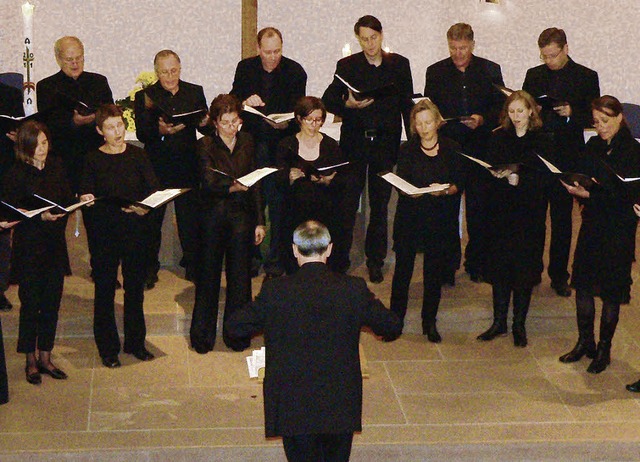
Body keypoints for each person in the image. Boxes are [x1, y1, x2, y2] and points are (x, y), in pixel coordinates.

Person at [227, 220, 402, 462]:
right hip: (339, 402)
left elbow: (235, 327)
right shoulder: (353, 288)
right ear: (329, 249)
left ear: (295, 250)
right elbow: (392, 325)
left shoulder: (276, 291)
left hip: (293, 402)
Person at [322, 15, 414, 282]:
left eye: (374, 38)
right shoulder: (347, 65)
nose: (370, 43)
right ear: (358, 39)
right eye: (364, 39)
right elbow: (329, 98)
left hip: (385, 143)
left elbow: (407, 105)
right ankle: (340, 260)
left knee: (380, 205)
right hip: (354, 143)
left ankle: (376, 260)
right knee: (348, 203)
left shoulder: (399, 65)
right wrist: (347, 106)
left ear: (381, 36)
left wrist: (412, 145)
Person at [559, 96, 640, 374]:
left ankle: (604, 350)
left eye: (605, 121)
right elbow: (583, 174)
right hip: (593, 223)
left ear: (619, 117)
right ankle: (585, 342)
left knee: (611, 291)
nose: (600, 127)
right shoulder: (592, 145)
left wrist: (593, 191)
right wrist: (578, 186)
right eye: (595, 122)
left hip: (618, 228)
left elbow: (628, 194)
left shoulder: (632, 150)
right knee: (582, 283)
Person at [424, 23, 505, 284]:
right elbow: (429, 110)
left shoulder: (490, 70)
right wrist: (440, 121)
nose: (457, 53)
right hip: (448, 149)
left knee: (479, 210)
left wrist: (482, 119)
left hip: (481, 147)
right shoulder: (435, 72)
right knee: (446, 210)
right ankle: (447, 268)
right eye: (453, 48)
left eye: (462, 48)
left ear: (472, 45)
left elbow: (501, 110)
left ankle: (476, 263)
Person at [79, 104, 159, 368]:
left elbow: (153, 190)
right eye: (111, 127)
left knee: (135, 289)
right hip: (104, 232)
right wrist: (86, 198)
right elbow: (86, 192)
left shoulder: (138, 155)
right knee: (104, 290)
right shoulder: (91, 158)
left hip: (134, 230)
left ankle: (136, 343)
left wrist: (142, 207)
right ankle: (108, 348)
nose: (117, 132)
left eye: (120, 125)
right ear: (100, 131)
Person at [523, 27, 600, 297]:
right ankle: (532, 271)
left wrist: (572, 112)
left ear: (566, 49)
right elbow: (523, 111)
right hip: (538, 155)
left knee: (562, 219)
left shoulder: (586, 76)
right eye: (544, 56)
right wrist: (533, 110)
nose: (549, 61)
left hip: (568, 156)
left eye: (553, 55)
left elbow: (594, 117)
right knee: (533, 218)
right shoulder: (534, 75)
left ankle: (559, 275)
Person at [189, 94, 266, 354]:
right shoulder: (205, 145)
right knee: (208, 277)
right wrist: (234, 186)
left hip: (242, 218)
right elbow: (208, 182)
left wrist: (260, 222)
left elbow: (256, 185)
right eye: (225, 122)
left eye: (235, 122)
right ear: (214, 122)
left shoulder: (247, 141)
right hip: (212, 217)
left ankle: (237, 335)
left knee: (240, 279)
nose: (231, 128)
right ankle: (202, 337)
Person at [230, 27, 307, 279]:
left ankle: (276, 259)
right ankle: (252, 257)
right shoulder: (246, 68)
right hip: (252, 143)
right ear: (258, 49)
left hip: (282, 145)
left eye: (277, 52)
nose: (272, 57)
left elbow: (301, 112)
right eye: (267, 52)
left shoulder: (295, 71)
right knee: (253, 201)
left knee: (279, 204)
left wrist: (287, 122)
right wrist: (244, 102)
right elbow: (233, 102)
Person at [476, 91, 550, 347]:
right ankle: (499, 322)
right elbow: (488, 172)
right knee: (500, 268)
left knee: (523, 269)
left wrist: (521, 180)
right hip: (502, 213)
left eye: (520, 111)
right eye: (511, 112)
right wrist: (500, 178)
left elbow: (546, 178)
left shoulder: (542, 139)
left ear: (531, 111)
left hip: (529, 214)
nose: (516, 117)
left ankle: (519, 324)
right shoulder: (498, 137)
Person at [37, 37, 114, 281]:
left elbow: (110, 112)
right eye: (69, 59)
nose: (75, 63)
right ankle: (56, 266)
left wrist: (95, 119)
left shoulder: (98, 82)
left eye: (79, 57)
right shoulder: (47, 86)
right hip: (62, 160)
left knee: (99, 219)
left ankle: (102, 269)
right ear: (58, 59)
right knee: (58, 214)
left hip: (94, 160)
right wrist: (73, 122)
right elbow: (48, 124)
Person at [3, 120, 74, 384]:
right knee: (31, 304)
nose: (42, 149)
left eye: (44, 143)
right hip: (29, 247)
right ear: (25, 147)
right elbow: (10, 212)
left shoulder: (56, 166)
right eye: (36, 145)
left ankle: (46, 356)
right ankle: (30, 360)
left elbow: (66, 198)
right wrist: (38, 217)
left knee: (52, 304)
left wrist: (77, 202)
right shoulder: (16, 173)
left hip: (54, 245)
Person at [390, 99, 465, 343]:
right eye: (419, 123)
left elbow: (458, 183)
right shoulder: (407, 149)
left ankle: (429, 321)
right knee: (403, 270)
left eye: (428, 122)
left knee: (433, 272)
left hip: (438, 217)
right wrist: (409, 190)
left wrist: (444, 190)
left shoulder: (452, 147)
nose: (424, 128)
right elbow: (402, 181)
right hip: (410, 216)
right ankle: (395, 319)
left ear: (437, 122)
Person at [135, 50, 208, 287]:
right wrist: (161, 131)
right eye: (165, 72)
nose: (170, 76)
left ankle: (194, 265)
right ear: (156, 72)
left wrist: (206, 123)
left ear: (180, 68)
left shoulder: (194, 91)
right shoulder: (146, 95)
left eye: (174, 70)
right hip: (156, 164)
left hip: (187, 163)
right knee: (152, 221)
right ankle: (148, 269)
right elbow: (141, 133)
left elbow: (203, 127)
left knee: (190, 220)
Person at [275, 96, 347, 274]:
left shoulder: (330, 145)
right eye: (309, 120)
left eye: (318, 120)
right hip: (295, 209)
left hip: (324, 208)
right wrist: (290, 177)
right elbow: (278, 181)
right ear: (299, 119)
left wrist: (326, 180)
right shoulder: (286, 144)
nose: (314, 125)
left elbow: (341, 181)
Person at [0, 81, 24, 312]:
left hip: (2, 170)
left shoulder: (10, 94)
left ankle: (0, 289)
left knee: (3, 233)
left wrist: (19, 136)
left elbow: (20, 129)